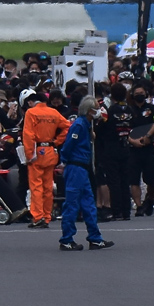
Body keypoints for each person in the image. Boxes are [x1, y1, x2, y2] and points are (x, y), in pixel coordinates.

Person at [57, 99, 111, 251]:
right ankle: (67, 239)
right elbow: (68, 145)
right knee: (72, 203)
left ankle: (95, 238)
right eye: (96, 108)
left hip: (81, 168)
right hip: (76, 167)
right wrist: (64, 160)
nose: (99, 110)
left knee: (88, 203)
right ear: (89, 110)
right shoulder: (79, 125)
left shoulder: (85, 125)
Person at [21, 94, 68, 229]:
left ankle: (38, 216)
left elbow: (28, 134)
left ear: (33, 101)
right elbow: (67, 126)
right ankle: (47, 216)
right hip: (50, 151)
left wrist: (29, 154)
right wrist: (57, 141)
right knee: (48, 186)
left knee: (36, 186)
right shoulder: (53, 113)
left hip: (37, 151)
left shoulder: (31, 113)